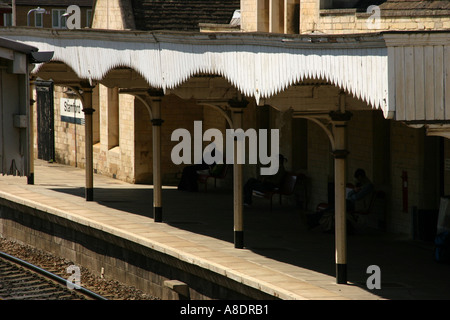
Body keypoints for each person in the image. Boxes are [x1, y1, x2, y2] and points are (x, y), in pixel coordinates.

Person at [307, 168, 374, 233]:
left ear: (360, 177)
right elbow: (350, 194)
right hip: (352, 203)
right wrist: (354, 190)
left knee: (333, 208)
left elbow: (355, 197)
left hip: (356, 205)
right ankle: (314, 219)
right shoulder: (363, 186)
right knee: (332, 208)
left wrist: (353, 193)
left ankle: (314, 218)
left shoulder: (368, 186)